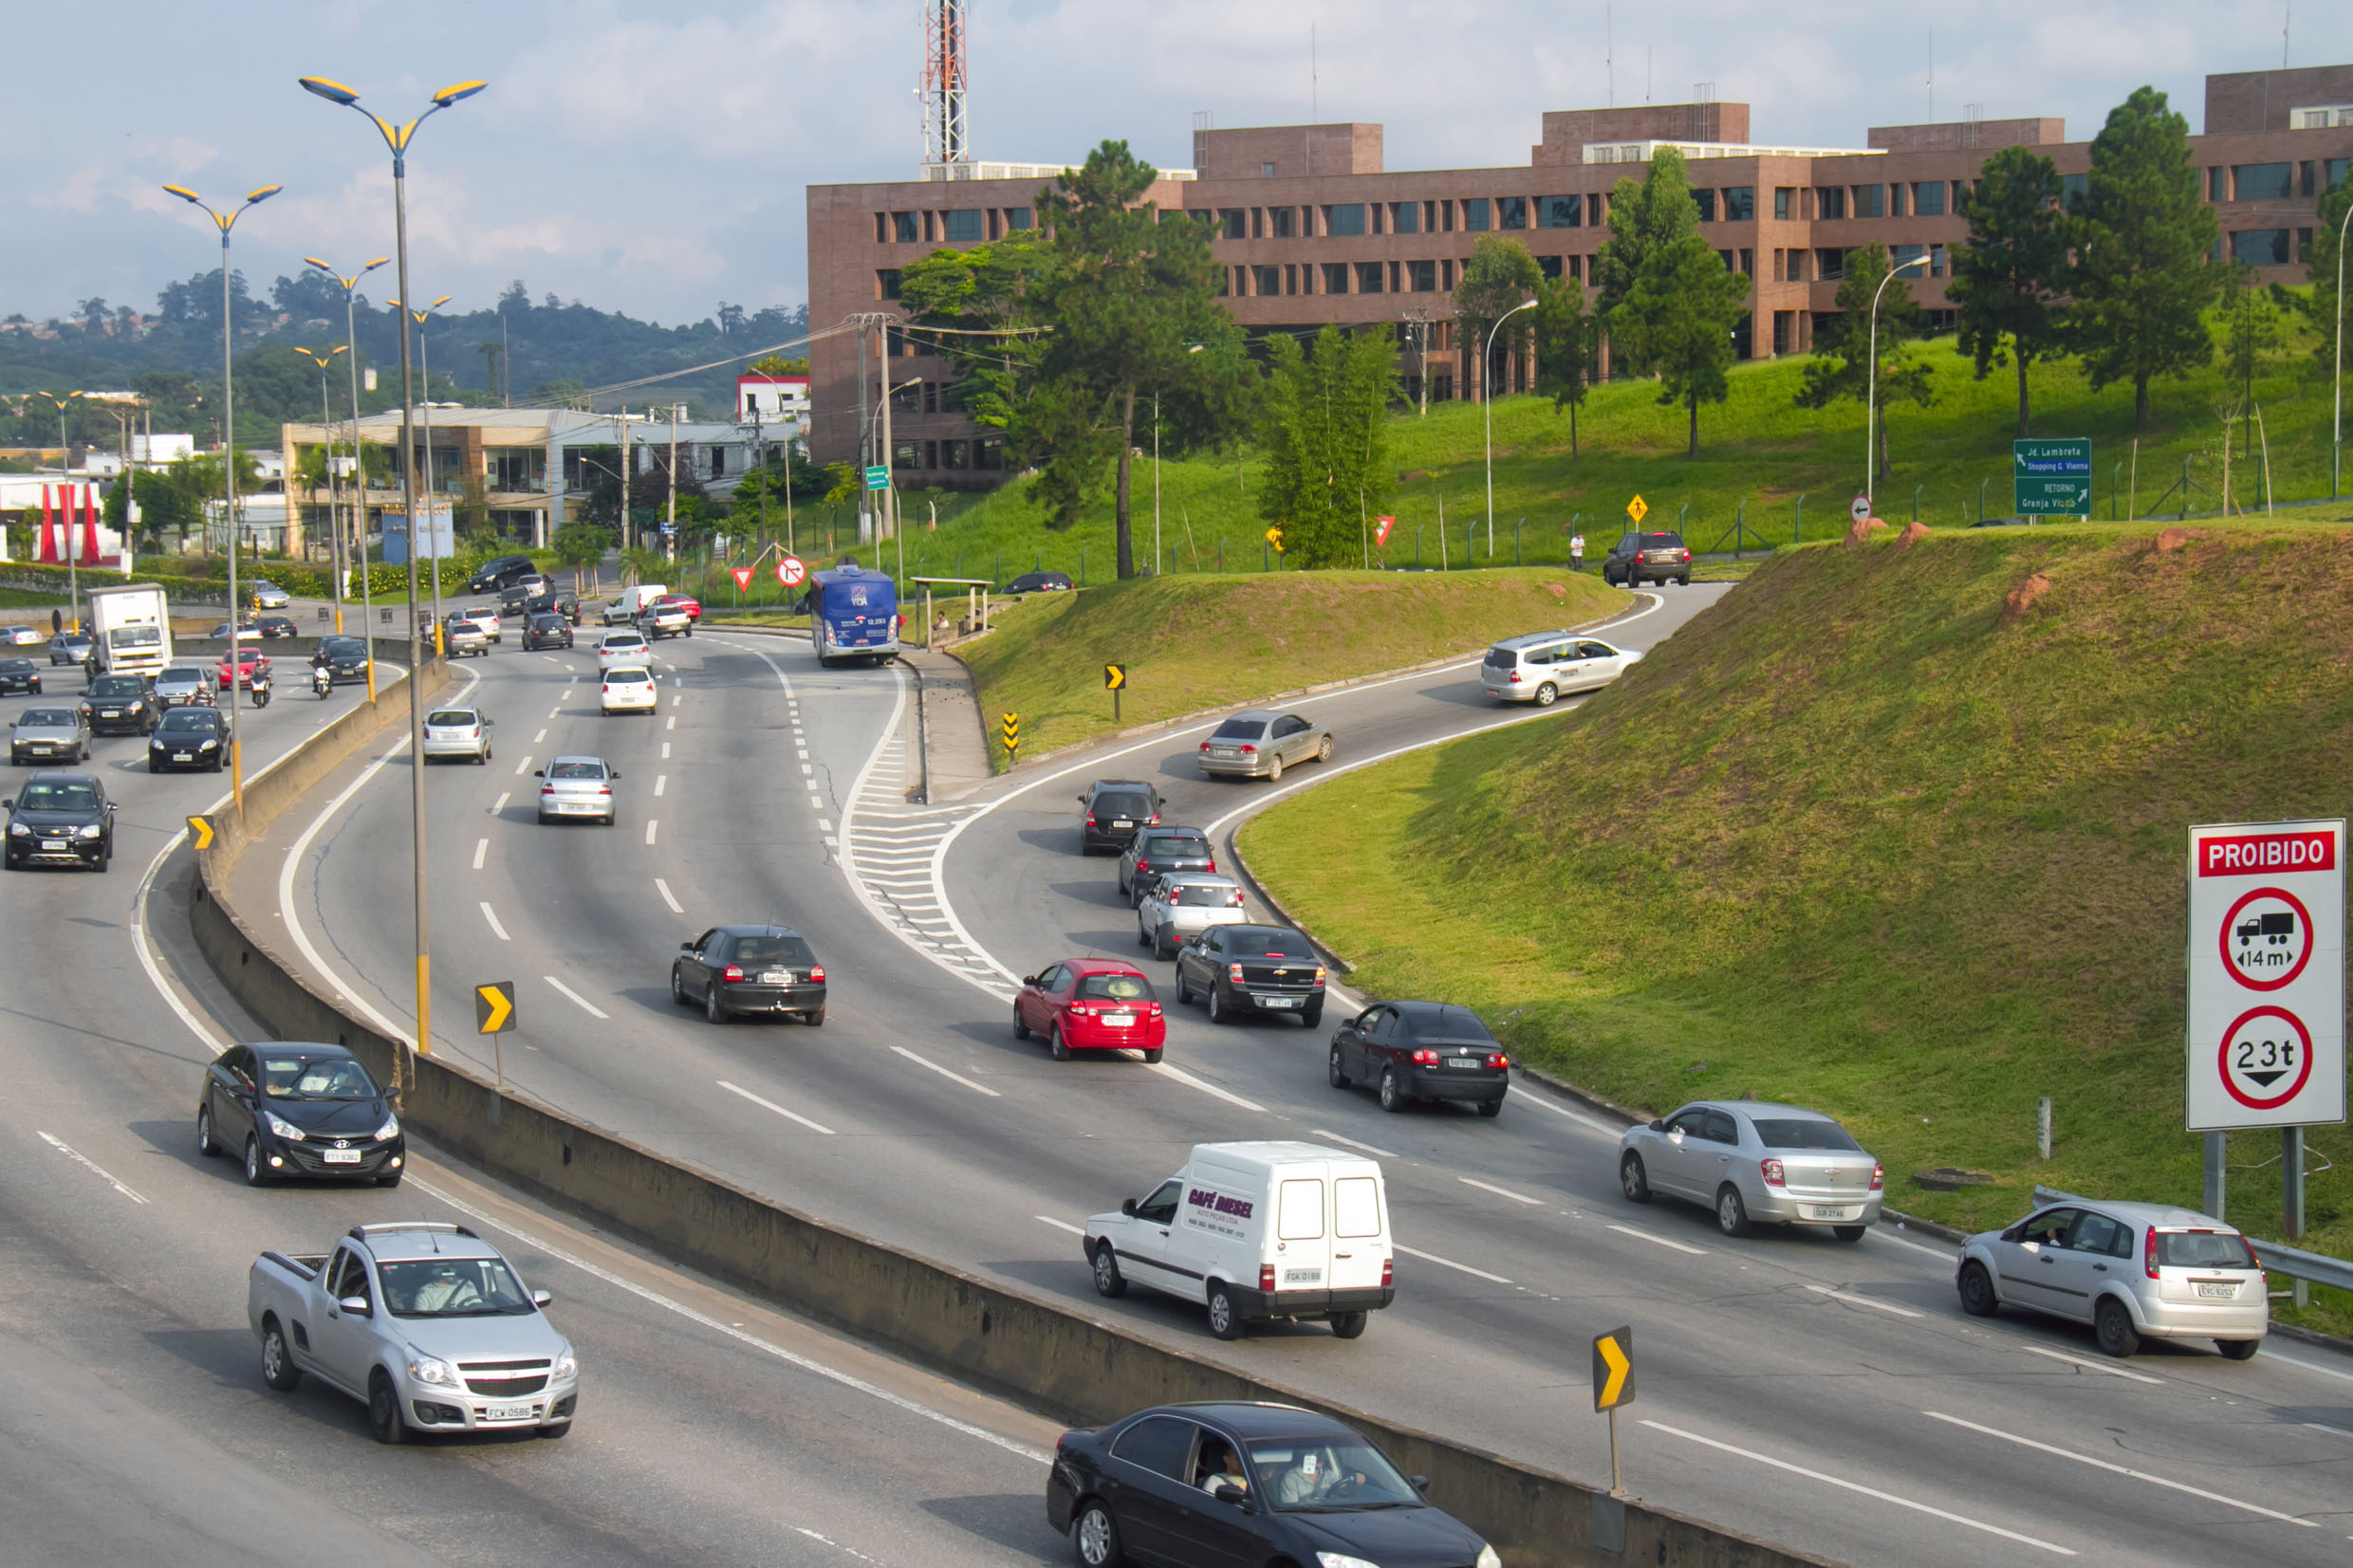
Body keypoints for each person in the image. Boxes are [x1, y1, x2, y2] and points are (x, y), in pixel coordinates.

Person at [409, 1263, 484, 1315]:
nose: (452, 1272)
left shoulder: (466, 1284)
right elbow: (421, 1316)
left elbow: (476, 1305)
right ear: (437, 1272)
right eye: (447, 1270)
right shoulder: (425, 1291)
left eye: (453, 1269)